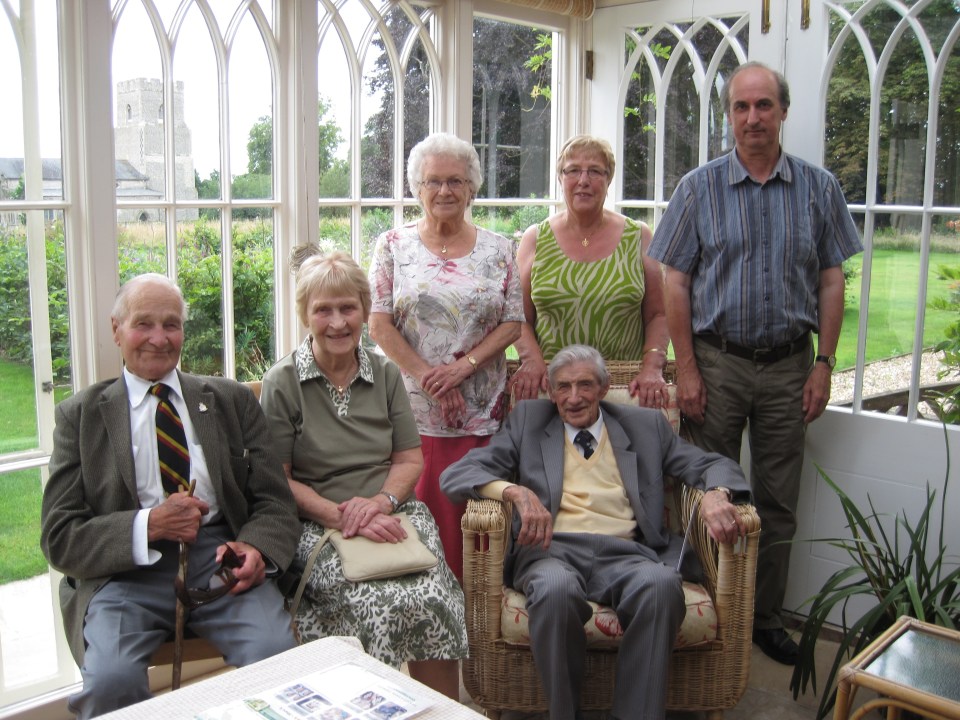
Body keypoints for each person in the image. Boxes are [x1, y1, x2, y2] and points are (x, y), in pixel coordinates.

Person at [648, 61, 863, 665]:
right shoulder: (699, 188)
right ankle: (706, 608)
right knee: (706, 492)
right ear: (729, 115)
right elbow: (676, 282)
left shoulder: (819, 189)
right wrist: (685, 369)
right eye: (741, 107)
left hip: (790, 366)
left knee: (776, 501)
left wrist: (824, 363)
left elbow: (830, 281)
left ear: (783, 111)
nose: (752, 118)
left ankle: (762, 619)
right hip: (717, 364)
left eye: (763, 105)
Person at [440, 344, 750, 720]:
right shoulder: (528, 421)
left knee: (661, 587)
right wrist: (514, 491)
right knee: (554, 592)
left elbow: (712, 464)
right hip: (551, 551)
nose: (573, 398)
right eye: (563, 387)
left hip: (628, 553)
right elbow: (455, 475)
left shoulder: (646, 427)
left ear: (603, 388)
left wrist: (716, 495)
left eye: (585, 385)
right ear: (551, 393)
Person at [40, 273, 299, 719]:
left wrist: (255, 547)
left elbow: (275, 500)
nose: (159, 339)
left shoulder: (231, 400)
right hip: (125, 572)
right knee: (110, 682)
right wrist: (149, 525)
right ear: (116, 329)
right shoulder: (79, 416)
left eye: (172, 325)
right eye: (143, 324)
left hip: (219, 559)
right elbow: (60, 536)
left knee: (276, 657)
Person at [260, 251, 468, 699]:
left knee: (432, 597)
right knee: (367, 602)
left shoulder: (386, 372)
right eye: (323, 309)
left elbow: (409, 460)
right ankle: (360, 707)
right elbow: (278, 478)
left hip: (393, 511)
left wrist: (378, 504)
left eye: (348, 308)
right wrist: (341, 516)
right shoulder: (282, 382)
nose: (337, 322)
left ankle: (443, 711)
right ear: (305, 315)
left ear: (363, 310)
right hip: (316, 522)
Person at [368, 132, 523, 581]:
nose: (444, 191)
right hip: (412, 417)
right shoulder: (393, 245)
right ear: (417, 189)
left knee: (475, 534)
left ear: (472, 187)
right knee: (419, 536)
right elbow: (378, 324)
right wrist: (431, 379)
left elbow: (512, 324)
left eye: (455, 181)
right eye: (433, 181)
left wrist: (461, 370)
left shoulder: (499, 248)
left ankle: (476, 640)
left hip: (479, 417)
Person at [509, 134, 669, 408]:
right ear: (561, 178)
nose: (583, 180)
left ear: (608, 179)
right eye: (573, 170)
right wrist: (531, 359)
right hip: (553, 388)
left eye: (595, 171)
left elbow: (659, 314)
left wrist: (653, 366)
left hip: (622, 388)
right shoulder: (536, 238)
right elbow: (517, 315)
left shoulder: (638, 236)